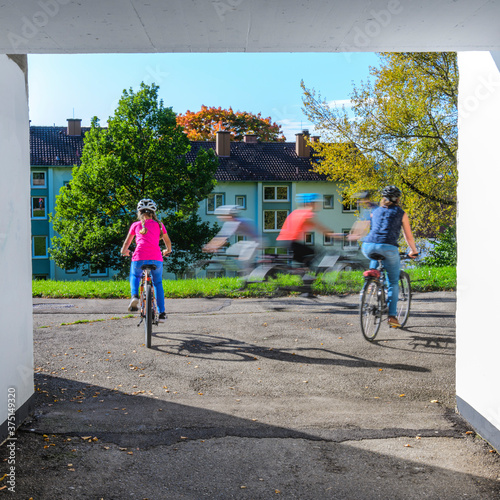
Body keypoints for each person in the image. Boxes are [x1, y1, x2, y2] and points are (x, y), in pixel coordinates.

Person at [361, 186, 419, 328]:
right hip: (389, 247)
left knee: (375, 254)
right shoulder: (401, 213)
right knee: (393, 282)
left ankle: (370, 282)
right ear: (398, 199)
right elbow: (408, 236)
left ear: (383, 198)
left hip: (367, 246)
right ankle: (392, 317)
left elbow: (375, 230)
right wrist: (413, 251)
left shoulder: (375, 212)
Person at [120, 199, 172, 321]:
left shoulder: (135, 225)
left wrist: (124, 252)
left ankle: (134, 296)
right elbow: (167, 242)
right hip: (156, 258)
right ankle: (162, 313)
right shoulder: (159, 225)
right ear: (154, 212)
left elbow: (127, 242)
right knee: (158, 283)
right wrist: (167, 250)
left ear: (139, 212)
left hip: (139, 258)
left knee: (135, 275)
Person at [277, 193, 333, 267]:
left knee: (303, 259)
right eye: (316, 203)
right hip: (293, 243)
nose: (318, 205)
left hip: (283, 242)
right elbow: (321, 228)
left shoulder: (295, 212)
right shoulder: (308, 214)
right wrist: (336, 236)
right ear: (311, 203)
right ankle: (307, 275)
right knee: (314, 253)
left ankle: (301, 272)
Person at [203, 205, 261, 275]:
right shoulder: (229, 223)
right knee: (230, 252)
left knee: (245, 259)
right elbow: (220, 236)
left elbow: (225, 238)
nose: (220, 218)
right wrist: (210, 245)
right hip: (250, 241)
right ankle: (242, 270)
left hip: (258, 241)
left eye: (221, 215)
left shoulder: (236, 222)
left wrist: (213, 246)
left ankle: (248, 276)